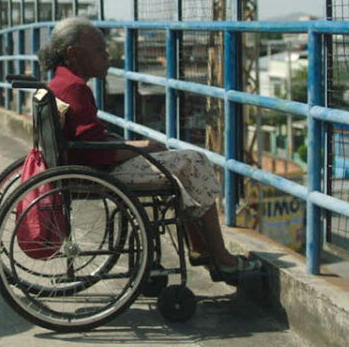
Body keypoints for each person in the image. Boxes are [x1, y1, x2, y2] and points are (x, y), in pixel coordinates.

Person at [37, 16, 259, 280]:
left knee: (178, 163)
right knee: (195, 161)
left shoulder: (60, 82)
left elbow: (87, 139)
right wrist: (140, 147)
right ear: (73, 54)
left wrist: (134, 145)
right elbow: (95, 150)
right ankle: (220, 257)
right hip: (97, 172)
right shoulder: (75, 89)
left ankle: (201, 247)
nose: (107, 55)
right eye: (99, 50)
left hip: (80, 166)